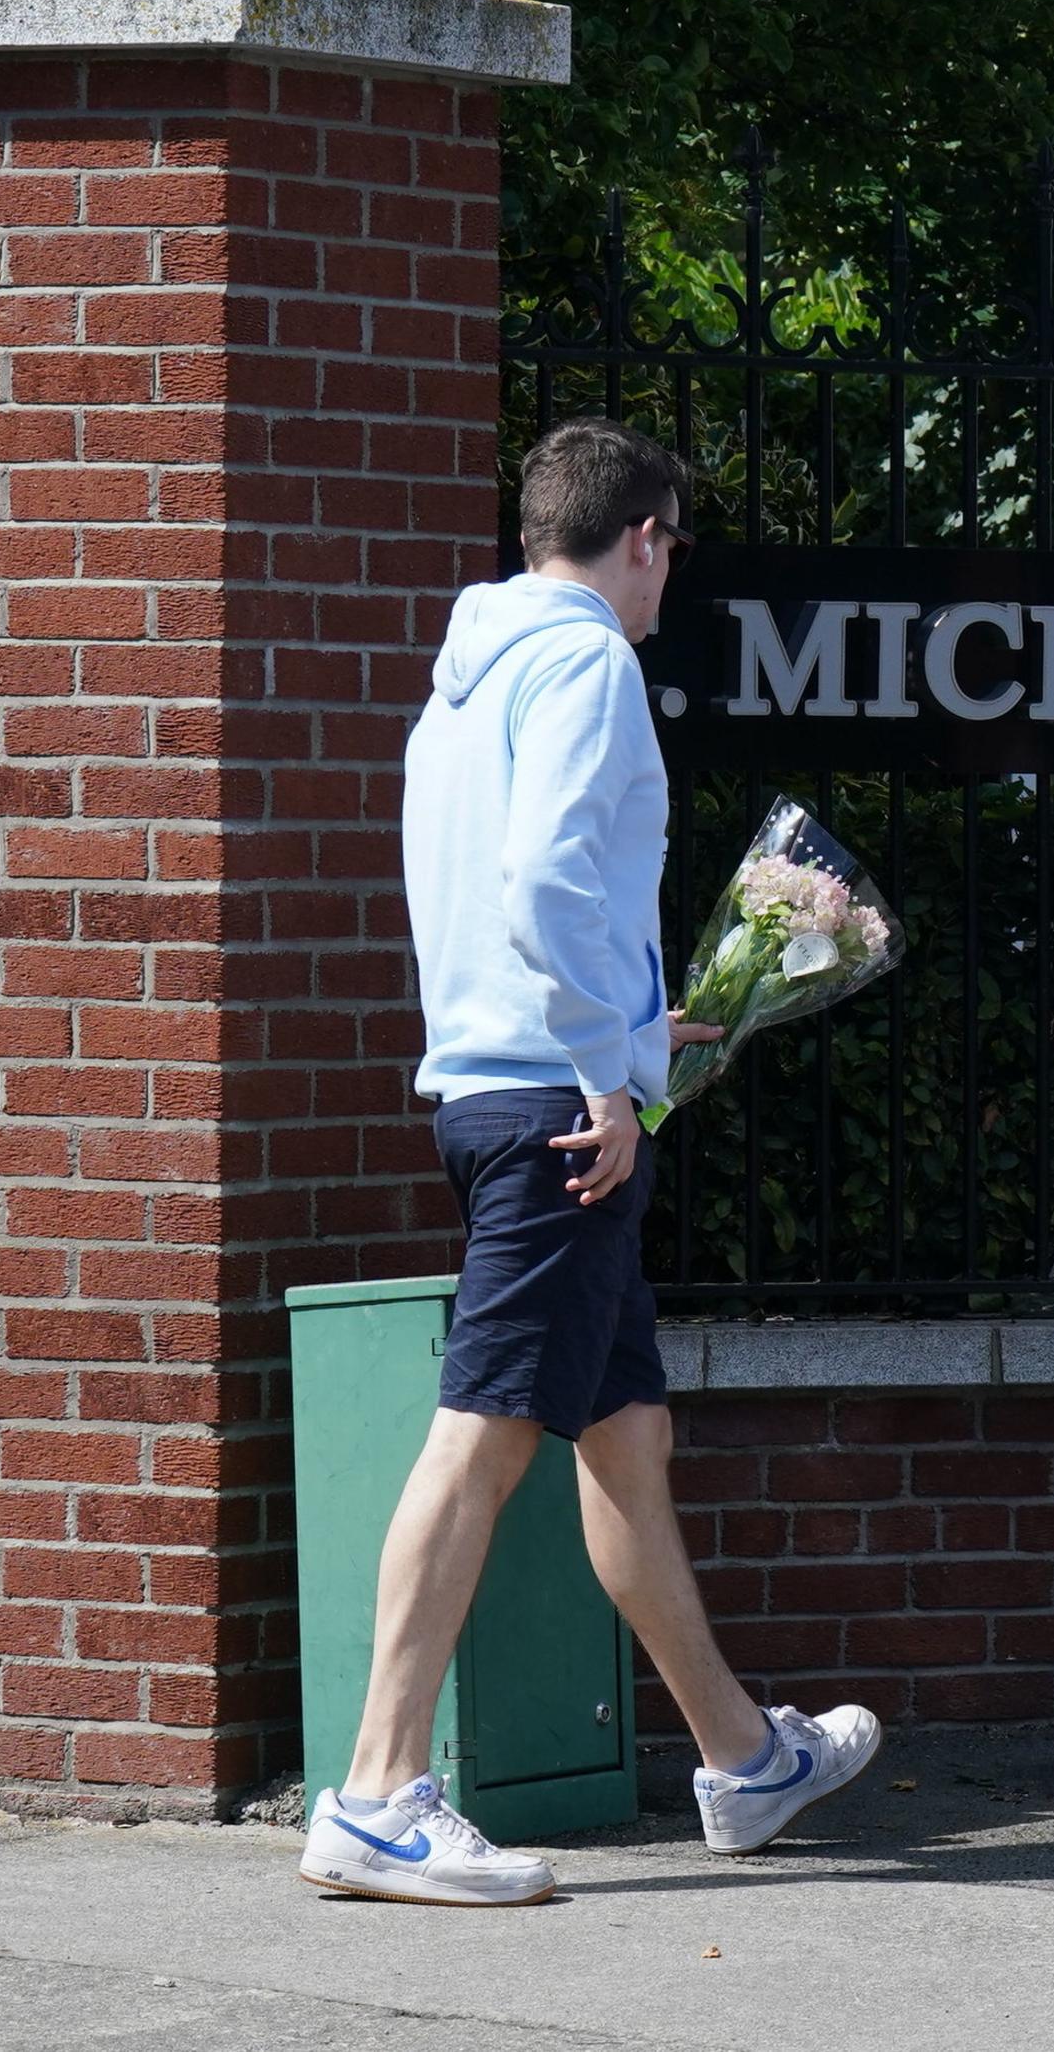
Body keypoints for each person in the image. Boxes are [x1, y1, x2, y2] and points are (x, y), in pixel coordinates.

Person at [301, 419, 880, 1906]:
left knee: (625, 1439)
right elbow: (549, 872)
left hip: (500, 1088)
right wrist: (605, 1065)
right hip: (556, 1113)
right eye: (674, 539)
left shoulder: (467, 679)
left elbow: (507, 893)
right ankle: (375, 1793)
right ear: (642, 537)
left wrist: (632, 1020)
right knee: (485, 1433)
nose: (673, 565)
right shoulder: (588, 664)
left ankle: (745, 1759)